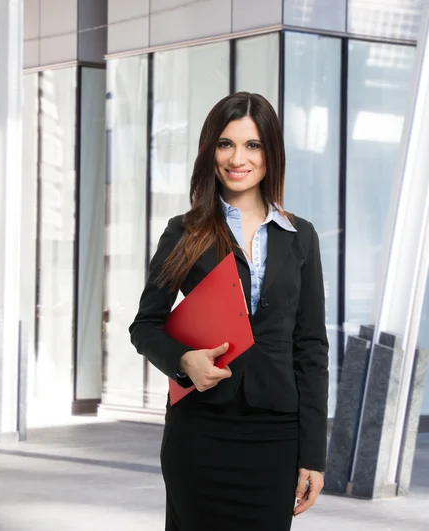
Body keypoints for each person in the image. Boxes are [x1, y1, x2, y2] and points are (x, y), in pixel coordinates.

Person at [129, 92, 329, 531]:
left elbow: (311, 347)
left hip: (276, 436)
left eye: (252, 145)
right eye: (226, 144)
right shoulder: (186, 232)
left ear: (270, 153)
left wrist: (313, 454)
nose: (238, 158)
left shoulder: (301, 237)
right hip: (200, 432)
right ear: (210, 151)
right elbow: (145, 325)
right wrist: (183, 361)